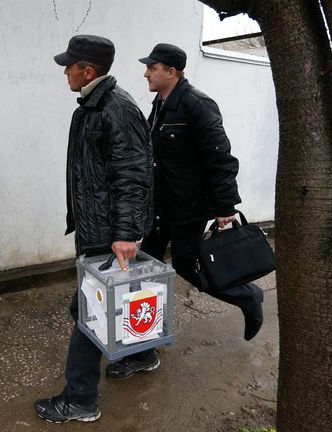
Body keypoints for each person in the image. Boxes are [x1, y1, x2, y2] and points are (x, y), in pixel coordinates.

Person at [103, 43, 264, 381]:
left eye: (153, 67)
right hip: (161, 208)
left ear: (171, 72)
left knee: (190, 269)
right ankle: (143, 351)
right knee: (141, 273)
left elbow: (221, 158)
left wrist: (224, 208)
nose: (146, 73)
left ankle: (248, 296)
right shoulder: (160, 106)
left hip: (188, 210)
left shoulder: (197, 105)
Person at [33, 35, 152, 424]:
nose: (64, 70)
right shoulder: (90, 106)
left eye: (69, 65)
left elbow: (133, 175)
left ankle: (81, 398)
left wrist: (125, 233)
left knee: (89, 311)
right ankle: (140, 353)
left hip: (107, 233)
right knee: (105, 302)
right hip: (96, 228)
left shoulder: (116, 108)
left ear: (89, 70)